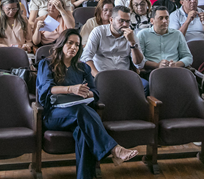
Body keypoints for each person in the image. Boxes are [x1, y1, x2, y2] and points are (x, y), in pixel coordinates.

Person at [36, 29, 138, 179]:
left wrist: (85, 93)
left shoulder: (83, 67)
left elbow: (95, 93)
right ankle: (114, 149)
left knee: (83, 133)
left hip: (79, 115)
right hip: (54, 115)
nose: (73, 47)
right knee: (81, 110)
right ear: (61, 44)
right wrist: (71, 89)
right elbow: (46, 89)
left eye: (77, 45)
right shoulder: (47, 64)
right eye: (70, 43)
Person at [81, 5, 148, 93]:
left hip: (124, 75)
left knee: (145, 85)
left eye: (127, 21)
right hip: (102, 74)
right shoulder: (98, 32)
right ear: (111, 20)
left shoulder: (131, 35)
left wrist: (132, 43)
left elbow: (139, 64)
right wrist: (98, 76)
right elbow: (86, 57)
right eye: (121, 21)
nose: (125, 25)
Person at [138, 5, 193, 70]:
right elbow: (139, 61)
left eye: (167, 18)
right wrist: (157, 65)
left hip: (174, 70)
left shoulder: (177, 34)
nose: (165, 21)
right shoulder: (143, 34)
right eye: (161, 18)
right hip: (152, 71)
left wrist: (176, 64)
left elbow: (188, 57)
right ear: (152, 21)